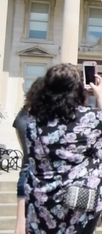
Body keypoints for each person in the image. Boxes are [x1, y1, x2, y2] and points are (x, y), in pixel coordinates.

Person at [25, 63, 102, 234]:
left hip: (42, 202)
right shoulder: (90, 117)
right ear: (77, 89)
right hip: (79, 201)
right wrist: (100, 96)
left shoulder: (34, 122)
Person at [12, 77, 44, 234]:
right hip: (38, 176)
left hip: (25, 172)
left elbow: (23, 144)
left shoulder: (21, 116)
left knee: (20, 225)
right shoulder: (40, 119)